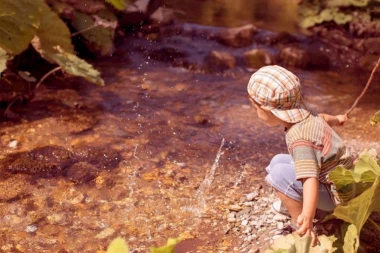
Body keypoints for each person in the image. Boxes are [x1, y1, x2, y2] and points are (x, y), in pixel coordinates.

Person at [247, 65, 354, 246]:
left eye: (254, 107)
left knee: (278, 175)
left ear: (267, 110)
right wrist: (338, 118)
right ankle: (299, 203)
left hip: (337, 196)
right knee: (277, 161)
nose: (254, 112)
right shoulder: (306, 114)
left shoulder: (300, 140)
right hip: (344, 181)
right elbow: (324, 118)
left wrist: (307, 215)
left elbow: (310, 178)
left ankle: (303, 227)